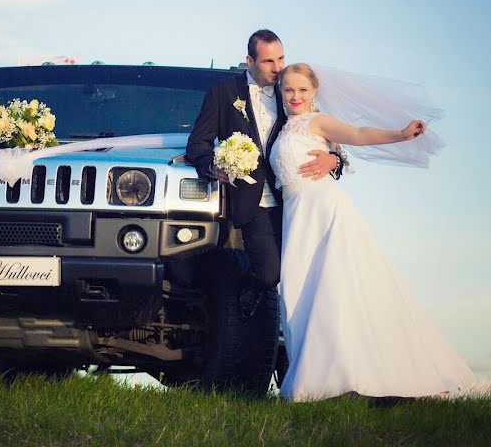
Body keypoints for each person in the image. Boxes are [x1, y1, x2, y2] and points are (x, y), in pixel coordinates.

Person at [269, 63, 474, 400]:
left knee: (334, 289)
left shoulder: (317, 122)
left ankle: (337, 380)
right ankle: (322, 374)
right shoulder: (282, 128)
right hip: (296, 215)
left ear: (314, 92)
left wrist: (401, 134)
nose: (295, 96)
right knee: (298, 292)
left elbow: (358, 135)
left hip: (323, 210)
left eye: (302, 90)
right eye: (289, 89)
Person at [185, 30, 344, 318]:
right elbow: (198, 144)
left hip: (298, 199)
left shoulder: (291, 91)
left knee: (309, 273)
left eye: (281, 58)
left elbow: (325, 134)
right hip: (253, 202)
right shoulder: (223, 93)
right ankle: (249, 288)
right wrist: (213, 166)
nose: (278, 67)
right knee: (270, 274)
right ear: (249, 61)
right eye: (269, 61)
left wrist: (333, 160)